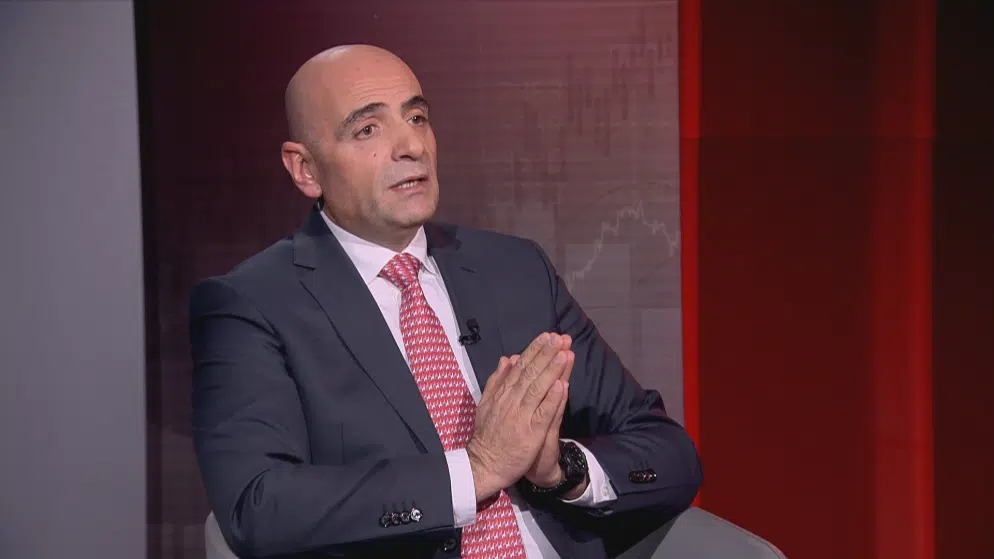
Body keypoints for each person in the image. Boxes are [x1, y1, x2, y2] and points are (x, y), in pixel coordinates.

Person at [190, 44, 702, 559]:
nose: (411, 145)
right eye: (367, 129)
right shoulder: (252, 305)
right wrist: (476, 470)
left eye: (417, 118)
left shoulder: (516, 269)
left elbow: (667, 451)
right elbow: (258, 507)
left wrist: (560, 469)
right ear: (305, 169)